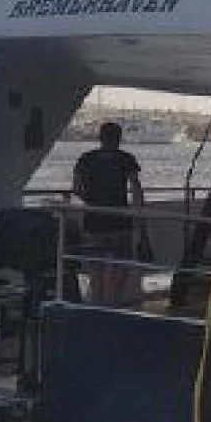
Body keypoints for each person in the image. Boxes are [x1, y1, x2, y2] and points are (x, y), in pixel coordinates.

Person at [73, 122, 146, 304]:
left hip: (93, 220)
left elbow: (76, 188)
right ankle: (114, 304)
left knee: (96, 268)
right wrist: (138, 214)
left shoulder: (85, 158)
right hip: (119, 221)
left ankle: (97, 304)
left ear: (100, 137)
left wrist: (91, 200)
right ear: (119, 138)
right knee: (121, 265)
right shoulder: (126, 158)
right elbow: (135, 187)